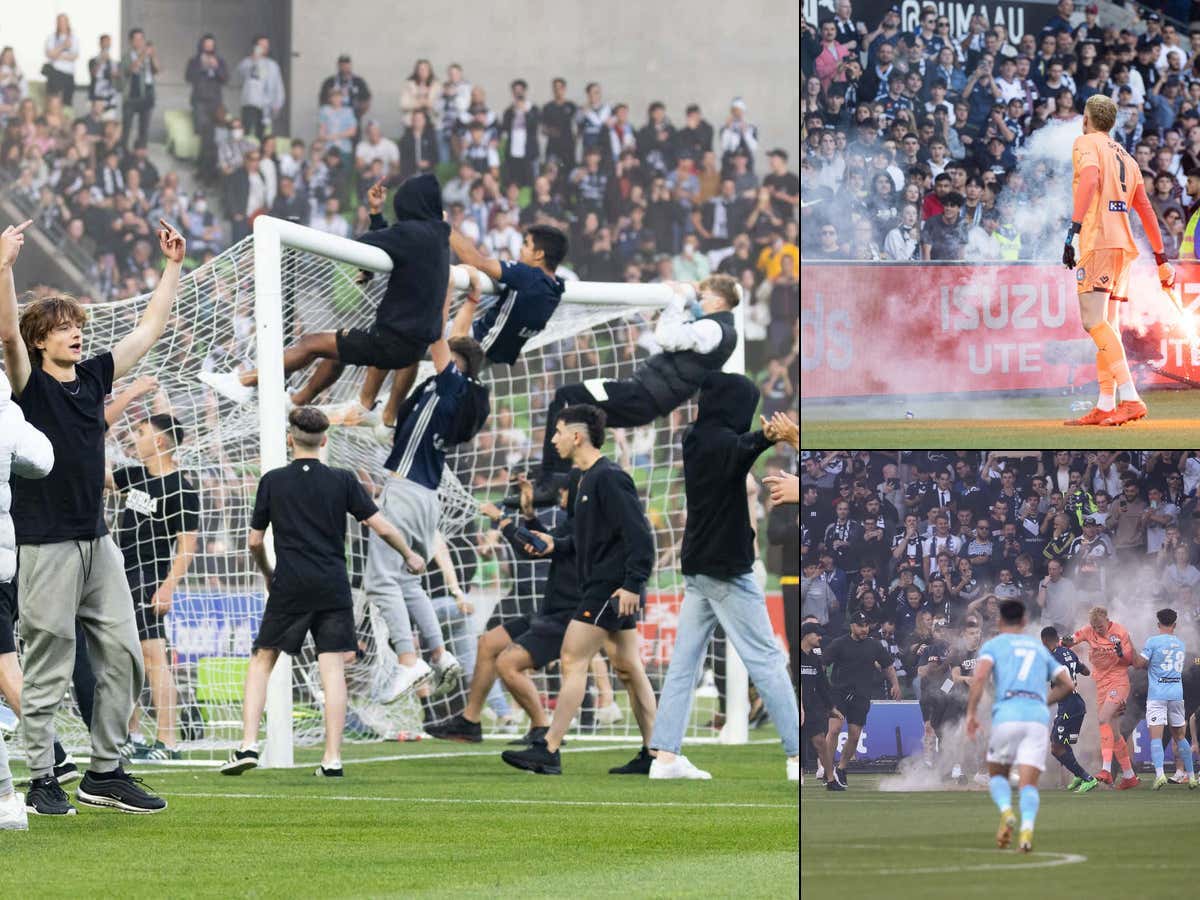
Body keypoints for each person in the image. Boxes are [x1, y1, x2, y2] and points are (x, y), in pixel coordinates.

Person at [0, 217, 185, 816]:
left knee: (126, 655)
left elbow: (150, 330)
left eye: (78, 325)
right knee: (49, 664)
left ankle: (105, 772)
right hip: (45, 544)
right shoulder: (26, 384)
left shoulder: (97, 375)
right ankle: (42, 780)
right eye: (62, 328)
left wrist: (172, 267)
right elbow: (6, 334)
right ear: (39, 341)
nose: (76, 334)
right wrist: (4, 268)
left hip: (97, 541)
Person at [221, 407, 425, 777]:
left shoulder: (272, 481)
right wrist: (409, 554)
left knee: (262, 660)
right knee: (331, 667)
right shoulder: (343, 479)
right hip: (333, 585)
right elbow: (380, 526)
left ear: (289, 439)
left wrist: (269, 573)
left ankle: (248, 744)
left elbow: (253, 541)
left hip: (291, 585)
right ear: (326, 440)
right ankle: (332, 759)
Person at [200, 174, 450, 417]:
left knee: (310, 343)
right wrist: (375, 213)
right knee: (334, 347)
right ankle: (298, 401)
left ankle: (244, 382)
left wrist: (368, 250)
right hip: (414, 346)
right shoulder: (439, 236)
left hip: (390, 340)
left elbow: (366, 243)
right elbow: (387, 246)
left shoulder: (410, 234)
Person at [500, 406, 658, 775]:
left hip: (609, 587)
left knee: (573, 659)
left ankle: (550, 747)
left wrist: (633, 583)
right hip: (601, 585)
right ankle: (656, 752)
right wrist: (554, 543)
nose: (552, 440)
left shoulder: (611, 477)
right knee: (628, 668)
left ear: (577, 436)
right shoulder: (579, 479)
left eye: (557, 432)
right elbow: (577, 535)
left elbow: (639, 536)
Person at [364, 318, 484, 703]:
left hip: (406, 490)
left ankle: (407, 659)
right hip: (426, 497)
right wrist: (468, 299)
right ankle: (438, 651)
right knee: (405, 581)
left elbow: (436, 333)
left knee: (380, 581)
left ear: (454, 362)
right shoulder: (449, 389)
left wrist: (434, 288)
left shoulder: (451, 384)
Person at [538, 276, 740, 486]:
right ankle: (560, 482)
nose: (700, 302)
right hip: (643, 398)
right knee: (581, 418)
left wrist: (678, 299)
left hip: (640, 394)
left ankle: (552, 479)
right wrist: (682, 294)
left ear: (718, 302)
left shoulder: (713, 330)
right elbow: (688, 322)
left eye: (704, 297)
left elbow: (667, 338)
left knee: (567, 397)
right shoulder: (715, 329)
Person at [427, 478, 580, 744]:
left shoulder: (586, 524)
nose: (560, 496)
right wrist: (529, 515)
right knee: (488, 643)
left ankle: (542, 728)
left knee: (508, 664)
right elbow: (545, 542)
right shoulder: (574, 521)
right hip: (550, 609)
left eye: (564, 490)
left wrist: (502, 520)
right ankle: (470, 721)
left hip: (568, 615)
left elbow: (538, 547)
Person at [1063, 94, 1175, 427]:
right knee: (1106, 325)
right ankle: (1106, 403)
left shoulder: (1085, 142)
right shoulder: (1127, 156)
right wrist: (1161, 257)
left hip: (1097, 240)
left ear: (1087, 119)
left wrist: (1073, 229)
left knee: (1092, 322)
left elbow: (1091, 178)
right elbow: (1146, 210)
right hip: (1122, 247)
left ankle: (1130, 397)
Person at [107, 413, 199, 761]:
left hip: (149, 579)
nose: (135, 439)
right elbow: (92, 477)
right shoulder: (132, 475)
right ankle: (132, 735)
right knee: (119, 656)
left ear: (159, 441)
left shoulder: (182, 489)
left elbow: (187, 546)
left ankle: (168, 741)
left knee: (153, 657)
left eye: (142, 433)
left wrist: (167, 588)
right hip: (117, 574)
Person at [966, 600, 1074, 854]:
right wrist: (1041, 702)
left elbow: (980, 677)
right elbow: (1067, 684)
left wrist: (971, 713)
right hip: (1036, 718)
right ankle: (1026, 831)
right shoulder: (1038, 648)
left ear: (1000, 622)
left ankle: (1006, 812)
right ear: (1025, 622)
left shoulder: (993, 645)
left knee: (997, 775)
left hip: (1007, 715)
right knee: (1028, 784)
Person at [0, 368, 54, 830]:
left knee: (5, 667)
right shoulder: (5, 410)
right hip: (3, 566)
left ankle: (11, 793)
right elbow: (42, 460)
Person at [447, 224, 567, 367]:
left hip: (468, 343)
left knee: (416, 337)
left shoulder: (528, 276)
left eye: (526, 244)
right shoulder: (557, 288)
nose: (520, 249)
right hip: (488, 358)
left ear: (539, 254)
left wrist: (444, 226)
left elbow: (476, 260)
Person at [823, 609, 902, 787]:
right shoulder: (839, 644)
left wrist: (895, 684)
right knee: (834, 729)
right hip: (839, 692)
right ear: (852, 626)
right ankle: (828, 771)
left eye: (866, 626)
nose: (864, 629)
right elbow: (823, 663)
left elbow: (888, 666)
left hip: (861, 695)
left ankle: (841, 768)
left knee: (855, 735)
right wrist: (823, 688)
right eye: (860, 626)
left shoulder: (874, 645)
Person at [1063, 606, 1139, 788]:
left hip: (1118, 682)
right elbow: (1071, 640)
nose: (1098, 630)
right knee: (1114, 732)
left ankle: (1106, 770)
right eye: (1094, 627)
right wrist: (1061, 642)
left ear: (1107, 619)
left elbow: (1130, 660)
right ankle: (1129, 776)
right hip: (1101, 684)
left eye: (1100, 626)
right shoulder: (1089, 630)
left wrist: (1121, 653)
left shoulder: (1120, 632)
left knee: (1103, 718)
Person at [1131, 608, 1197, 789]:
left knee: (1156, 737)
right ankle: (1191, 776)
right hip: (1176, 693)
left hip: (1158, 694)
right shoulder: (1181, 644)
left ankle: (1159, 774)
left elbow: (1139, 664)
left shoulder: (1153, 642)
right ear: (1174, 625)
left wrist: (1131, 648)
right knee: (1181, 737)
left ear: (1158, 623)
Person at [1040, 626, 1099, 793]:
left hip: (1068, 706)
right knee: (1062, 744)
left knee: (1056, 747)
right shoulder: (1069, 653)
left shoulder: (1052, 658)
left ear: (1044, 640)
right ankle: (1079, 776)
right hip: (1076, 704)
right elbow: (1086, 671)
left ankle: (1088, 778)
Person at [799, 623, 841, 790]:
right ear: (807, 635)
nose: (820, 637)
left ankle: (830, 780)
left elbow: (823, 685)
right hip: (798, 707)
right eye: (817, 634)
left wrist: (832, 707)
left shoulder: (815, 659)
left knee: (820, 743)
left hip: (812, 707)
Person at [185, 35, 229, 184]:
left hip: (215, 103)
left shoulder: (219, 61)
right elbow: (189, 77)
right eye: (206, 45)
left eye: (211, 45)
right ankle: (206, 171)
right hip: (200, 102)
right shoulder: (194, 61)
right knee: (206, 135)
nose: (209, 48)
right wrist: (202, 66)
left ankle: (204, 169)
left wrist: (216, 67)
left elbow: (225, 79)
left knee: (214, 137)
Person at [236, 35, 285, 141]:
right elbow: (240, 72)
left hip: (265, 105)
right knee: (247, 133)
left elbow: (278, 85)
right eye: (261, 45)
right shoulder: (248, 62)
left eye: (266, 45)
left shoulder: (273, 65)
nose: (264, 48)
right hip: (250, 103)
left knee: (262, 135)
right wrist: (253, 60)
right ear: (255, 47)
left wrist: (278, 103)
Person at [120, 28, 158, 152]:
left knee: (144, 128)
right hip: (131, 95)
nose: (139, 42)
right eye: (136, 39)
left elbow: (157, 70)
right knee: (127, 127)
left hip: (147, 93)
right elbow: (131, 69)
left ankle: (141, 151)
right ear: (131, 41)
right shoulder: (127, 56)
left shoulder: (148, 56)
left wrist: (153, 56)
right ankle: (124, 151)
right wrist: (143, 55)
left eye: (141, 39)